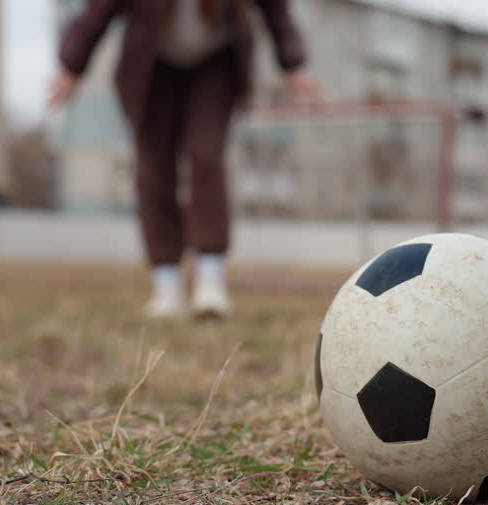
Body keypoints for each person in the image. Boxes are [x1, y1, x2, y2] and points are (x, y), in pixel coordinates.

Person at [49, 0, 319, 319]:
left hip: (216, 64)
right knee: (153, 173)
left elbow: (275, 9)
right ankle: (166, 285)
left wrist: (292, 66)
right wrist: (71, 69)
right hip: (151, 69)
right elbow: (97, 13)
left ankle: (210, 279)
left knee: (206, 159)